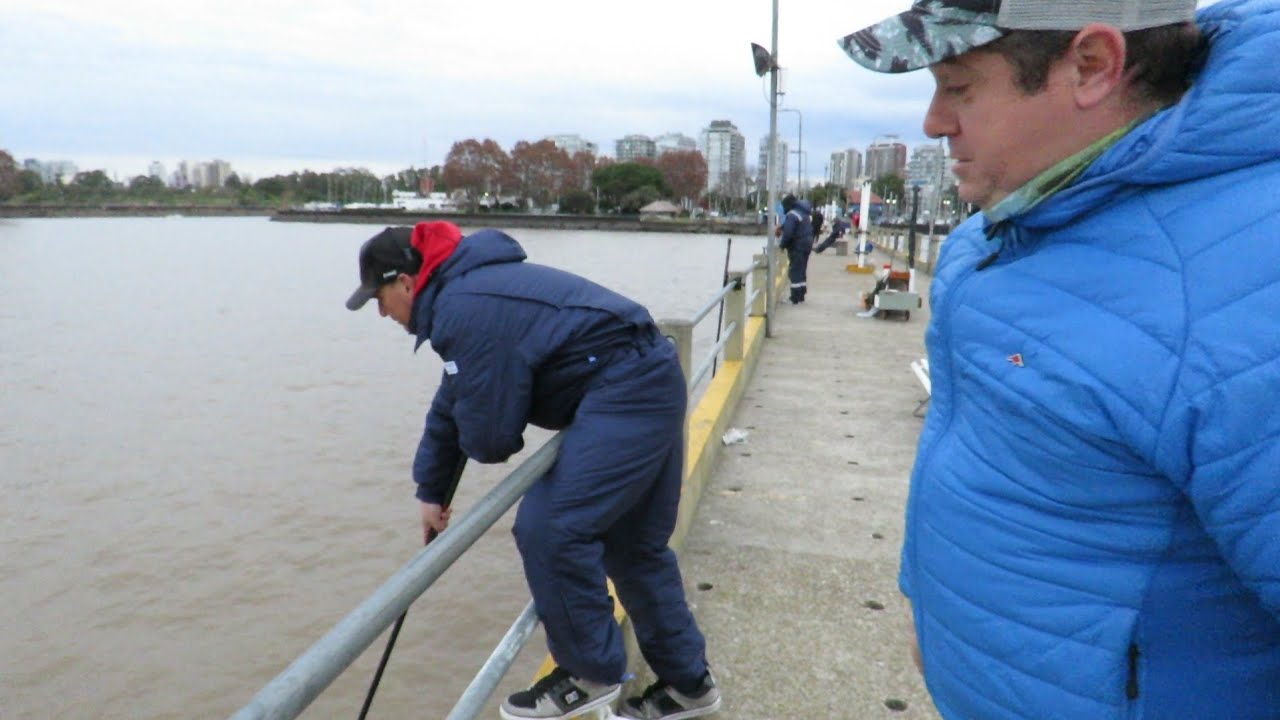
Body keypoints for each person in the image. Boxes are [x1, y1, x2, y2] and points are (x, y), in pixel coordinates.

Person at [841, 0, 1280, 718]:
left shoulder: (1249, 285)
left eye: (958, 87)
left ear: (1092, 66)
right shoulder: (996, 236)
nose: (933, 122)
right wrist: (935, 616)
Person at [345, 222, 721, 720]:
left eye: (379, 296)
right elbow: (452, 400)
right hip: (649, 374)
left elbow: (492, 437)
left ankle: (590, 674)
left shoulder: (462, 308)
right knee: (634, 550)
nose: (380, 310)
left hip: (626, 387)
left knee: (550, 526)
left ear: (408, 282)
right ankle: (689, 687)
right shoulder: (467, 296)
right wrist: (431, 490)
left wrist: (482, 415)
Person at [776, 193, 814, 303]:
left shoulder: (792, 215)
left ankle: (794, 298)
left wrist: (782, 245)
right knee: (802, 269)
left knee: (795, 270)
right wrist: (783, 227)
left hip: (798, 245)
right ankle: (801, 294)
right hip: (807, 243)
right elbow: (798, 226)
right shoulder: (802, 212)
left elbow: (788, 233)